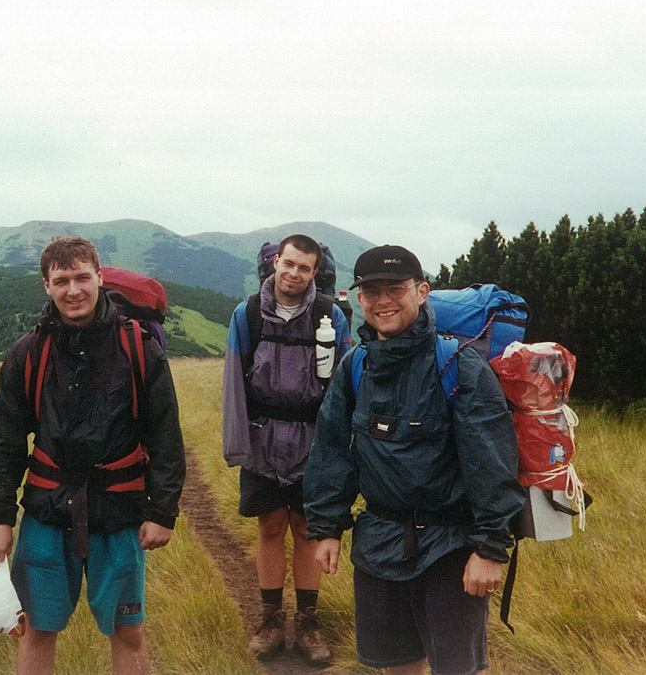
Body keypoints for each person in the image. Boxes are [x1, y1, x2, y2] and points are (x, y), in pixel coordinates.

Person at [303, 245, 525, 675]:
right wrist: (326, 527)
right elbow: (331, 450)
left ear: (422, 292)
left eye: (396, 289)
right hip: (379, 544)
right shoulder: (355, 367)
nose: (383, 301)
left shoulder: (459, 366)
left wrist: (490, 549)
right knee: (398, 666)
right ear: (359, 299)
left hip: (451, 549)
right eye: (372, 292)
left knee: (459, 670)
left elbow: (492, 463)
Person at [0, 237, 186, 675]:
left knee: (127, 632)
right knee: (37, 630)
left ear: (99, 278)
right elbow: (4, 440)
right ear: (46, 285)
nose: (73, 290)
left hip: (119, 512)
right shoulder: (28, 352)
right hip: (47, 511)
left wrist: (162, 511)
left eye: (81, 278)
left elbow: (166, 436)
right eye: (61, 281)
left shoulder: (139, 349)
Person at [221, 234, 350, 664]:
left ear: (315, 272)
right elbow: (234, 381)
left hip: (315, 442)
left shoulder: (331, 316)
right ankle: (271, 620)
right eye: (289, 263)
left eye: (304, 268)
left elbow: (344, 386)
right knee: (271, 526)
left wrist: (342, 451)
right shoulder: (247, 315)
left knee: (308, 529)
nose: (294, 273)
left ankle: (308, 624)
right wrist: (238, 445)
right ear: (276, 261)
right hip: (263, 439)